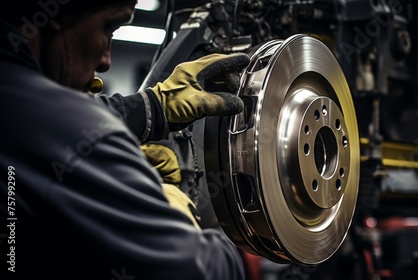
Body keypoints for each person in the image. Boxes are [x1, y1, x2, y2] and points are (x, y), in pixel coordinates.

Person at [0, 1, 251, 279]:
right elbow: (197, 269)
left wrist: (155, 106)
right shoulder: (60, 131)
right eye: (109, 27)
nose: (106, 62)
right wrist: (227, 245)